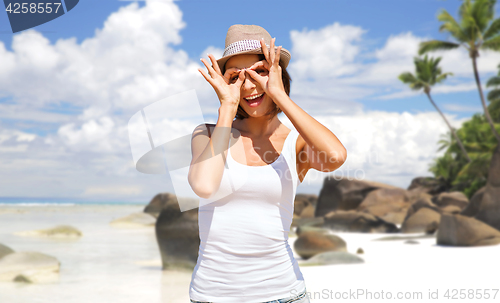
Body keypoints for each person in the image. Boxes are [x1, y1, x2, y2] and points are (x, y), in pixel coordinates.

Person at [187, 24, 347, 303]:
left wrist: (280, 96)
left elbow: (336, 157)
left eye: (260, 72)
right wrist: (226, 107)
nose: (249, 85)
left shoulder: (296, 142)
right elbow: (204, 186)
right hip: (212, 296)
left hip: (283, 294)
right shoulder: (208, 133)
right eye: (236, 77)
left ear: (277, 75)